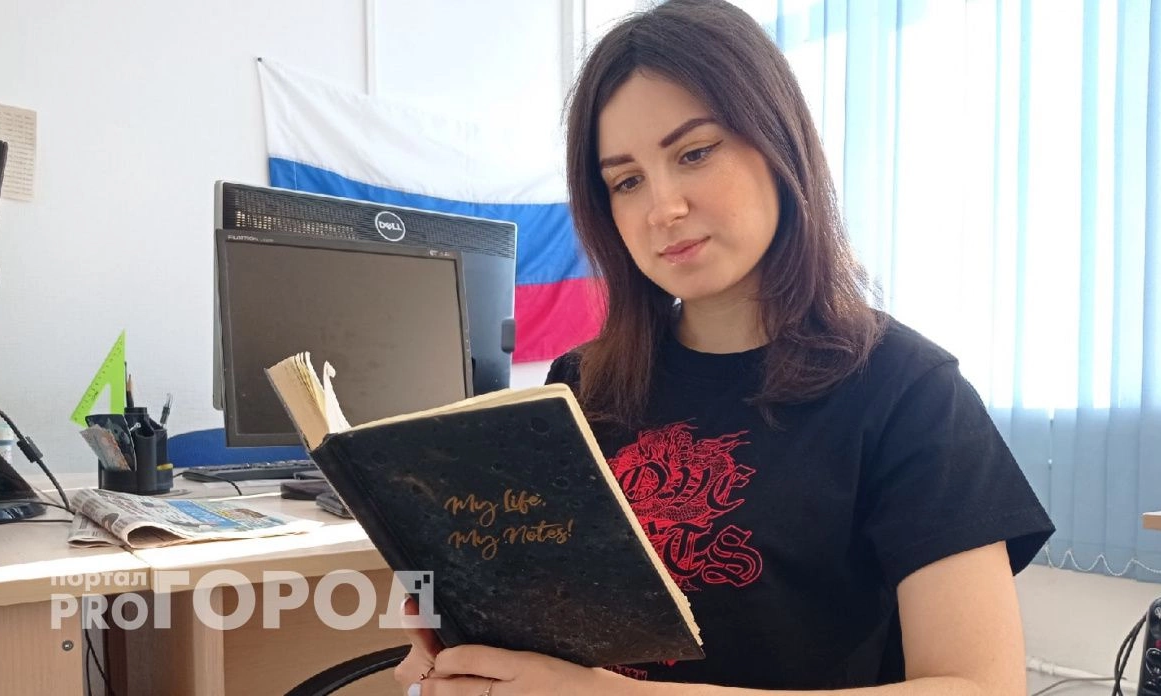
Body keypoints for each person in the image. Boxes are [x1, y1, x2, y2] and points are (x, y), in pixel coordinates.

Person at [395, 1, 1054, 693]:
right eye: (626, 181)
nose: (663, 208)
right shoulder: (581, 385)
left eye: (695, 153)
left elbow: (980, 686)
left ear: (777, 144)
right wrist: (460, 645)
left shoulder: (909, 392)